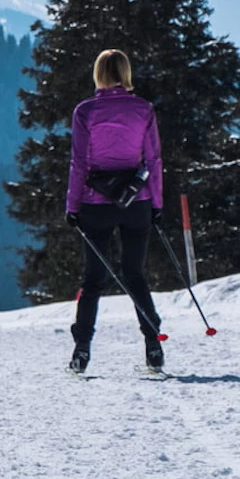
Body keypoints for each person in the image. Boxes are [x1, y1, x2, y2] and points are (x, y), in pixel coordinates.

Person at [65, 47, 165, 374]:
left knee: (93, 279)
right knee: (135, 275)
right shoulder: (144, 110)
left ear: (98, 73)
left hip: (96, 204)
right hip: (136, 202)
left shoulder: (85, 111)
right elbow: (153, 161)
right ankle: (153, 346)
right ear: (126, 73)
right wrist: (157, 203)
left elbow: (79, 162)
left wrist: (72, 205)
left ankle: (81, 351)